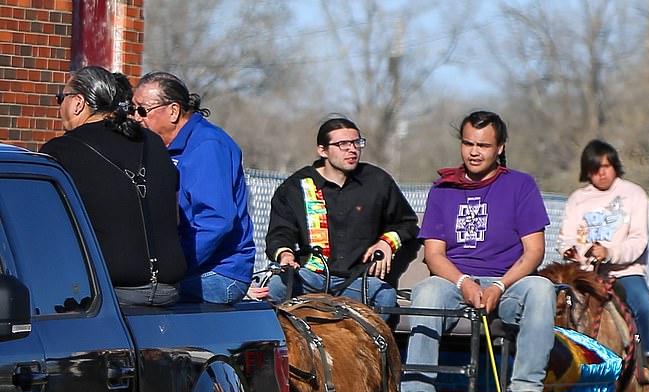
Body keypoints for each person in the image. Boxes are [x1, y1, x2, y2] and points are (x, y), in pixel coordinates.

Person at [394, 110, 556, 392]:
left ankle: (526, 389)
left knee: (541, 288)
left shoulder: (521, 186)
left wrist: (499, 286)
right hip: (455, 281)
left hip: (508, 284)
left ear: (500, 148)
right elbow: (434, 254)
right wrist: (464, 283)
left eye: (483, 145)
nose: (474, 151)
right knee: (426, 291)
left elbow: (534, 252)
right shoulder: (443, 189)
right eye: (468, 143)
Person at [41, 66, 185, 305]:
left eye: (60, 98)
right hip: (170, 289)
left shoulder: (61, 151)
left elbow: (47, 231)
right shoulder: (154, 142)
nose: (59, 107)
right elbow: (176, 216)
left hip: (109, 292)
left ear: (78, 102)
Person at [265, 117, 419, 309]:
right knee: (274, 290)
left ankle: (366, 340)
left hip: (357, 279)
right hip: (309, 277)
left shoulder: (377, 181)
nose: (352, 149)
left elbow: (407, 224)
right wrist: (286, 255)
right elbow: (280, 233)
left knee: (384, 296)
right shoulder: (296, 187)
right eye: (342, 144)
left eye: (357, 142)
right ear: (322, 150)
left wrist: (387, 242)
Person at [132, 72, 255, 304]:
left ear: (173, 111)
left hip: (219, 272)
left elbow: (216, 221)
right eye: (132, 109)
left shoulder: (207, 146)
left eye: (142, 110)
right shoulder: (162, 148)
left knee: (137, 300)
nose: (135, 117)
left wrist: (171, 267)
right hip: (189, 265)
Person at [558, 139, 649, 392]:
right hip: (583, 273)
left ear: (615, 166)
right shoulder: (578, 199)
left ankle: (648, 366)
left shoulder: (634, 195)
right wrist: (572, 251)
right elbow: (565, 238)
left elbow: (639, 240)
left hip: (625, 272)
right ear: (587, 171)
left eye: (606, 166)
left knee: (643, 306)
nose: (601, 173)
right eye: (595, 169)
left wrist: (610, 253)